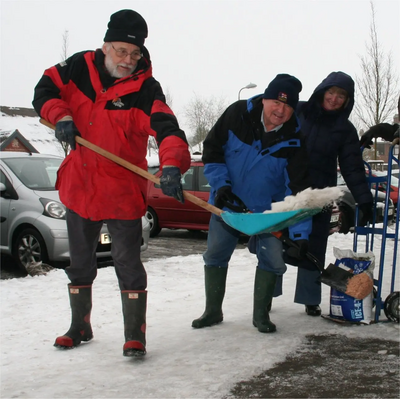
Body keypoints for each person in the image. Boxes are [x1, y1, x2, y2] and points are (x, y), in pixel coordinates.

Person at [32, 9, 190, 357]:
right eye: (121, 50)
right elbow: (43, 90)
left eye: (135, 54)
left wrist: (173, 165)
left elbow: (168, 128)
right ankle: (80, 326)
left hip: (121, 191)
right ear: (106, 46)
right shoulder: (76, 68)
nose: (128, 60)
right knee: (80, 262)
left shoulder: (145, 89)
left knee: (128, 262)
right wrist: (61, 116)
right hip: (80, 187)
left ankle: (135, 335)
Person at [191, 74, 312, 333]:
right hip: (227, 207)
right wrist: (221, 186)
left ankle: (261, 316)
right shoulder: (237, 115)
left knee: (273, 262)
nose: (280, 110)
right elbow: (212, 152)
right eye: (276, 103)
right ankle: (212, 311)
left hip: (265, 215)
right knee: (215, 255)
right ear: (265, 99)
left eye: (288, 106)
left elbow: (298, 192)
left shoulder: (295, 140)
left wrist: (301, 234)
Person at [275, 71, 374, 316]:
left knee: (314, 245)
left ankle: (309, 298)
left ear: (347, 100)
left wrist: (364, 199)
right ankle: (267, 293)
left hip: (320, 194)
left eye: (341, 95)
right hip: (286, 190)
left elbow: (352, 166)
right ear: (322, 91)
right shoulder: (299, 111)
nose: (334, 99)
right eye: (331, 92)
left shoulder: (345, 129)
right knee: (276, 241)